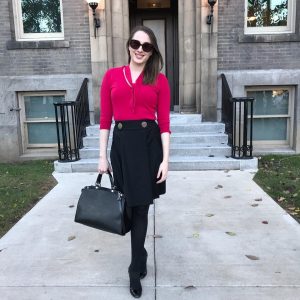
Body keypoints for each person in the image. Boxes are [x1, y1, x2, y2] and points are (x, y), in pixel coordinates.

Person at [98, 25, 171, 298]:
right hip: (121, 147)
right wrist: (101, 156)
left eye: (146, 46)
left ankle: (134, 268)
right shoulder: (111, 77)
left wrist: (166, 159)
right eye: (135, 43)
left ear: (152, 52)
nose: (140, 49)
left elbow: (164, 123)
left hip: (148, 146)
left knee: (141, 208)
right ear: (128, 45)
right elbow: (105, 120)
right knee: (127, 206)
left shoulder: (159, 81)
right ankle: (140, 253)